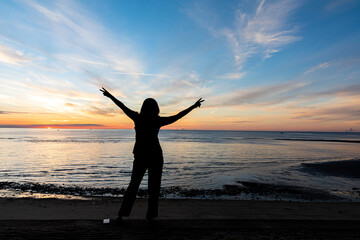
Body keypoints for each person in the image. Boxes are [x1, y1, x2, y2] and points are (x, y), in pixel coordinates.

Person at [100, 87, 204, 222]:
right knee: (153, 187)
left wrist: (109, 96)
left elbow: (122, 106)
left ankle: (122, 215)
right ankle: (150, 216)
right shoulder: (156, 120)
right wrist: (194, 106)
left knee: (134, 185)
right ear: (156, 109)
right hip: (154, 156)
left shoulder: (138, 117)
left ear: (143, 107)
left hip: (142, 156)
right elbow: (178, 116)